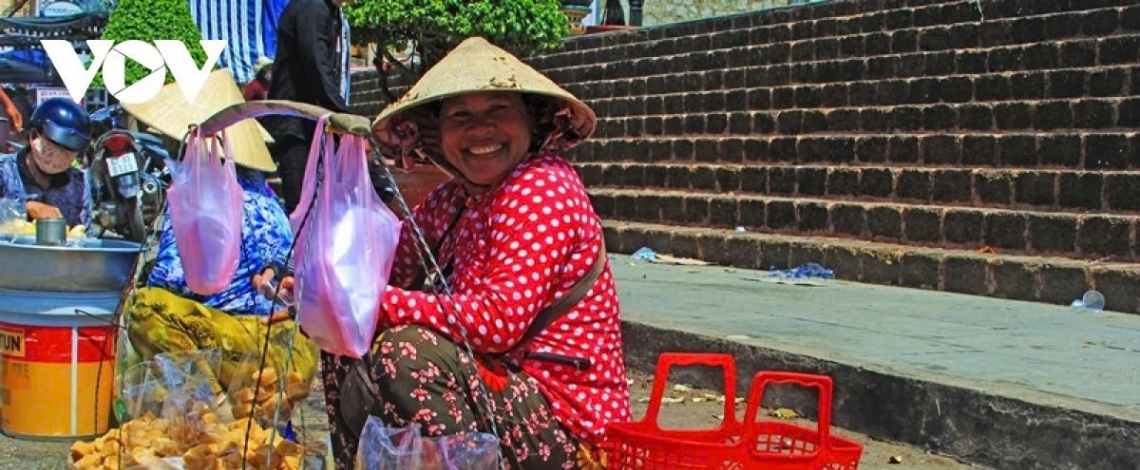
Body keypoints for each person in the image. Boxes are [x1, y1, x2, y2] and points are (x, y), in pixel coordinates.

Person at [257, 37, 630, 470]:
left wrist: (373, 304)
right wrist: (311, 286)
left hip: (568, 425)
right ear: (439, 133)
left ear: (532, 121)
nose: (479, 130)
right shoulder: (454, 199)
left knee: (406, 351)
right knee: (347, 337)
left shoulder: (542, 187)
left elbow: (497, 323)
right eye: (460, 116)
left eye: (498, 110)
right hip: (501, 393)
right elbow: (389, 265)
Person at [122, 69, 318, 416]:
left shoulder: (204, 197)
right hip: (291, 349)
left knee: (145, 307)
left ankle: (212, 408)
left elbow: (171, 281)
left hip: (246, 347)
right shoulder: (266, 195)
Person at [264, 0, 352, 213]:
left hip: (313, 124)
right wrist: (344, 114)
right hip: (295, 125)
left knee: (321, 204)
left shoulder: (332, 13)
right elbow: (316, 64)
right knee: (302, 206)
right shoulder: (312, 7)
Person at [0, 97, 90, 226]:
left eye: (69, 151)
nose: (60, 156)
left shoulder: (78, 183)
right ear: (34, 136)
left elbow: (85, 235)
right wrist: (26, 207)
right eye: (54, 146)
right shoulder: (4, 171)